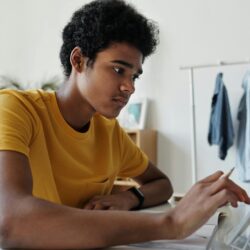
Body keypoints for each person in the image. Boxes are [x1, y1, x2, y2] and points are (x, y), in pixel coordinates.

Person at [0, 0, 249, 249]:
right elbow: (10, 222)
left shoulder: (108, 132)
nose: (130, 87)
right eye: (119, 70)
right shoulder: (15, 110)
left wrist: (128, 199)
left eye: (134, 76)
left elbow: (161, 184)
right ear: (78, 61)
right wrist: (171, 223)